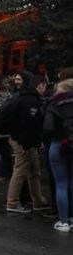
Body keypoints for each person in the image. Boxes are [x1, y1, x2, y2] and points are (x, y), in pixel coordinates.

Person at [5, 75, 50, 213]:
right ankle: (12, 203)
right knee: (21, 171)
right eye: (45, 86)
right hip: (23, 142)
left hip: (23, 140)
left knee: (34, 171)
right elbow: (29, 125)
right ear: (40, 85)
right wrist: (29, 143)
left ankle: (37, 201)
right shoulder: (31, 100)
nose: (45, 90)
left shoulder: (24, 97)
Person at [43, 79, 73, 232]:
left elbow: (48, 128)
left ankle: (63, 221)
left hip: (58, 145)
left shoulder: (53, 104)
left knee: (61, 184)